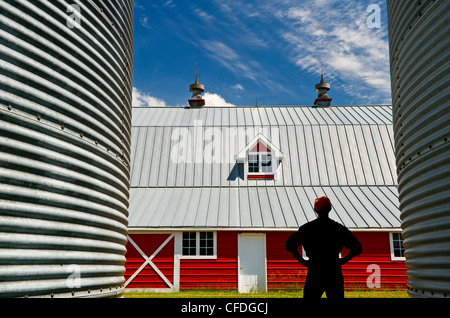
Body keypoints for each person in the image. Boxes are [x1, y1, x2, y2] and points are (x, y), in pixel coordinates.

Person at [285, 196, 362, 299]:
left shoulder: (307, 229)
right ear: (330, 209)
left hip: (314, 271)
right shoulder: (338, 228)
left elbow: (289, 245)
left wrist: (302, 261)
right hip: (333, 271)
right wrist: (343, 260)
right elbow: (357, 248)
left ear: (315, 209)